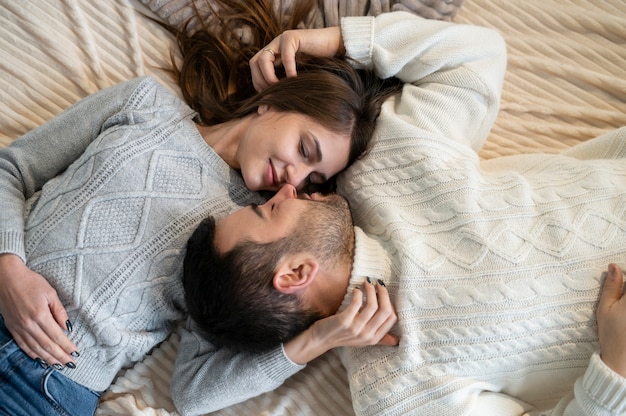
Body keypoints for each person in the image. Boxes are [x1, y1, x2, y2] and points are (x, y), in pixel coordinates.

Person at [182, 12, 626, 416]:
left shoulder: (380, 166)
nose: (284, 190)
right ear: (296, 273)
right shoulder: (395, 389)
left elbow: (476, 56)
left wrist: (338, 39)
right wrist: (614, 373)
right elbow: (192, 396)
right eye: (268, 213)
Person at [0, 1, 403, 415]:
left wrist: (317, 340)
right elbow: (11, 168)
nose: (294, 179)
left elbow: (193, 392)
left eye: (313, 180)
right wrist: (8, 266)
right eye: (304, 149)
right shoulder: (145, 103)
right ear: (273, 101)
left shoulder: (249, 235)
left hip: (46, 386)